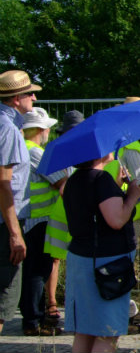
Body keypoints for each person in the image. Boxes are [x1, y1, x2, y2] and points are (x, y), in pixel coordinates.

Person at [62, 151, 140, 352]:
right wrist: (132, 195)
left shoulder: (74, 180)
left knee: (85, 330)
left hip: (81, 257)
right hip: (107, 263)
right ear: (97, 153)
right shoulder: (100, 179)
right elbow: (116, 220)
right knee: (107, 331)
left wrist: (115, 189)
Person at [102, 97, 140, 332]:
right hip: (128, 213)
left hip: (111, 209)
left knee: (113, 264)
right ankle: (119, 317)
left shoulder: (107, 142)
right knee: (123, 266)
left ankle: (123, 311)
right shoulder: (131, 146)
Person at [20, 107, 65, 336]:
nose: (49, 131)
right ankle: (34, 321)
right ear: (40, 129)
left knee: (30, 271)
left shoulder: (22, 148)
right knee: (38, 270)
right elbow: (61, 181)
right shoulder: (37, 153)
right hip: (40, 220)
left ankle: (31, 316)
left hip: (28, 220)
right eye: (48, 127)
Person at [0, 69, 39, 334]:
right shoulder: (9, 130)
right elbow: (4, 182)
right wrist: (15, 233)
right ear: (16, 98)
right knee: (4, 299)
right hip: (4, 225)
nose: (34, 98)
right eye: (30, 93)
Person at [42, 110, 84, 323]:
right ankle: (51, 303)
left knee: (76, 260)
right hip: (60, 212)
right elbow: (59, 183)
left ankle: (73, 305)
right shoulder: (53, 149)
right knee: (55, 260)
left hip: (77, 210)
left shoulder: (84, 150)